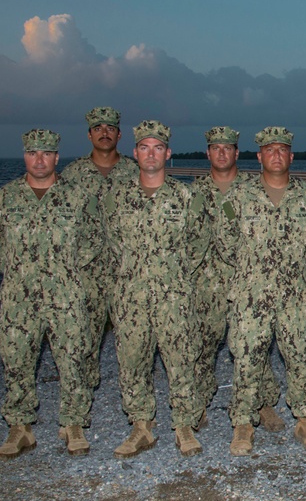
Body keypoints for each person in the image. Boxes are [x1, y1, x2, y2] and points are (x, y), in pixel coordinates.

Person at [0, 129, 102, 459]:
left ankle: (73, 424)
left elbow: (93, 239)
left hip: (65, 295)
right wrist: (21, 270)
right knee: (16, 360)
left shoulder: (77, 198)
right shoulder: (4, 199)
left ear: (56, 157)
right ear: (25, 156)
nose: (39, 159)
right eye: (33, 153)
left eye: (46, 154)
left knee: (73, 359)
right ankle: (20, 427)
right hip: (19, 298)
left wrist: (62, 269)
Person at [218, 127, 306, 456]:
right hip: (251, 294)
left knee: (300, 357)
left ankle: (305, 419)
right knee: (247, 358)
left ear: (291, 156)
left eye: (282, 150)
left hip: (297, 293)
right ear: (259, 156)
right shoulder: (237, 198)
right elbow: (226, 244)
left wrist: (291, 268)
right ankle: (243, 424)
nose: (277, 155)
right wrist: (257, 270)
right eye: (270, 150)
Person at [102, 121, 209, 458]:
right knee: (132, 362)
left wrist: (173, 275)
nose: (151, 153)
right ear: (134, 153)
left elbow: (199, 242)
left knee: (181, 361)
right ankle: (141, 427)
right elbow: (111, 242)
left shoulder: (186, 195)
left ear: (168, 153)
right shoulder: (117, 196)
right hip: (131, 296)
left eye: (158, 147)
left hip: (174, 296)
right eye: (145, 147)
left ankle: (184, 425)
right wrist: (136, 274)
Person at [191, 126, 283, 433]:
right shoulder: (195, 192)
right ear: (208, 153)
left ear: (236, 153)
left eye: (227, 148)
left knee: (255, 345)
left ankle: (264, 403)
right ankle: (200, 402)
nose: (221, 153)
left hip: (249, 281)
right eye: (215, 148)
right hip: (208, 283)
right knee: (203, 345)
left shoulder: (253, 187)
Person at [60, 106, 139, 389]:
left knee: (132, 337)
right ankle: (82, 398)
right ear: (89, 134)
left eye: (110, 129)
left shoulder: (134, 171)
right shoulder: (71, 174)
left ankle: (135, 399)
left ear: (119, 134)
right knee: (83, 337)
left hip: (125, 269)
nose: (104, 133)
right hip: (86, 270)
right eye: (98, 129)